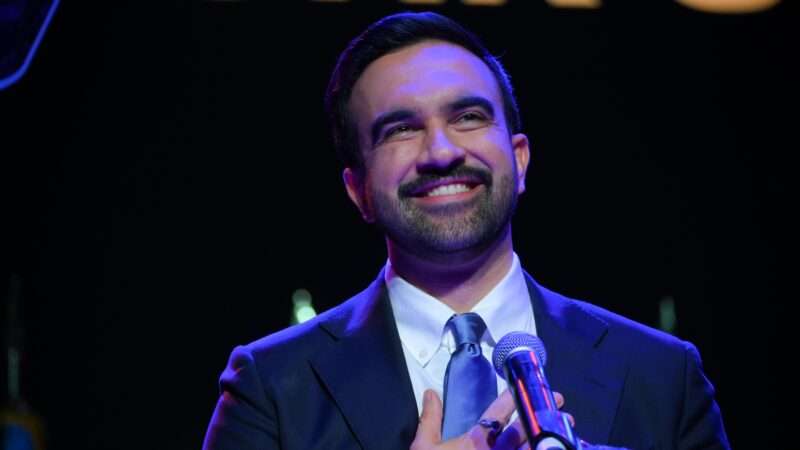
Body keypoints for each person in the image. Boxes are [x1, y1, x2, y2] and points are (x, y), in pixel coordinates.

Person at [202, 11, 729, 450]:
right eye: (401, 129)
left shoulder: (662, 377)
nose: (442, 152)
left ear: (519, 161)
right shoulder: (271, 387)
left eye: (469, 116)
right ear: (358, 190)